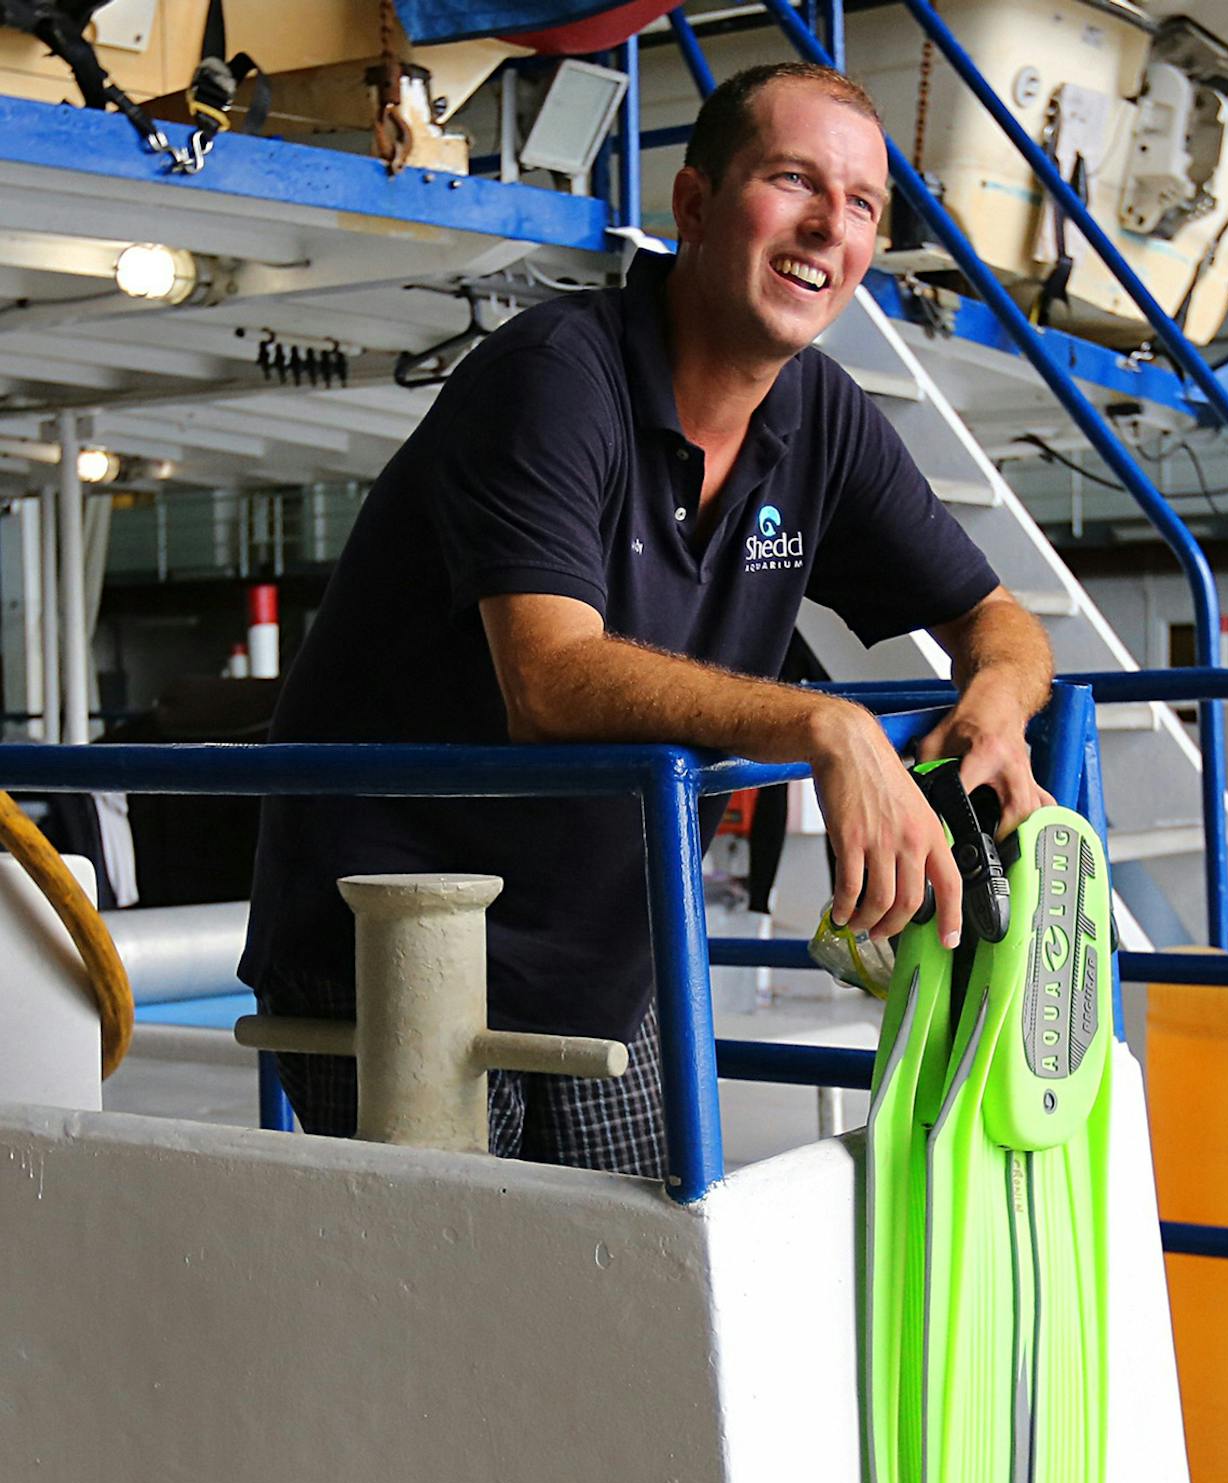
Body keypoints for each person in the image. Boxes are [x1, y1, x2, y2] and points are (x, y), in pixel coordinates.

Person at [240, 62, 1055, 1178]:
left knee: (639, 1307)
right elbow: (551, 680)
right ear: (694, 205)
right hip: (396, 930)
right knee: (470, 1311)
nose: (831, 224)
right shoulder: (553, 378)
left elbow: (998, 620)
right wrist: (827, 725)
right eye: (793, 181)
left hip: (610, 950)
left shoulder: (821, 419)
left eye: (862, 204)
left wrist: (996, 719)